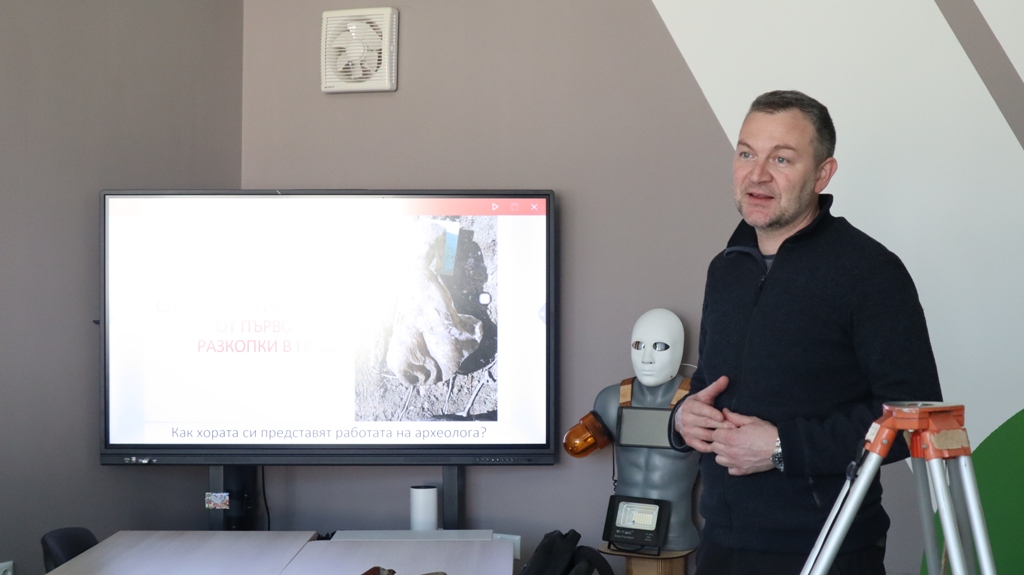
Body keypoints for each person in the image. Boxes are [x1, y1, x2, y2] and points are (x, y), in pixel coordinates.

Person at [669, 90, 942, 574]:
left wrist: (782, 448)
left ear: (822, 174)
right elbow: (709, 383)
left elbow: (913, 417)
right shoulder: (725, 269)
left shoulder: (869, 271)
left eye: (781, 159)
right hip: (721, 542)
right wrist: (684, 418)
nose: (757, 174)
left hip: (828, 547)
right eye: (747, 154)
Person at [564, 308, 700, 552]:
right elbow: (574, 445)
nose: (647, 358)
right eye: (638, 346)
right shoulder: (610, 400)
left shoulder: (697, 403)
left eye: (659, 347)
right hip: (623, 528)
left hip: (675, 533)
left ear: (678, 349)